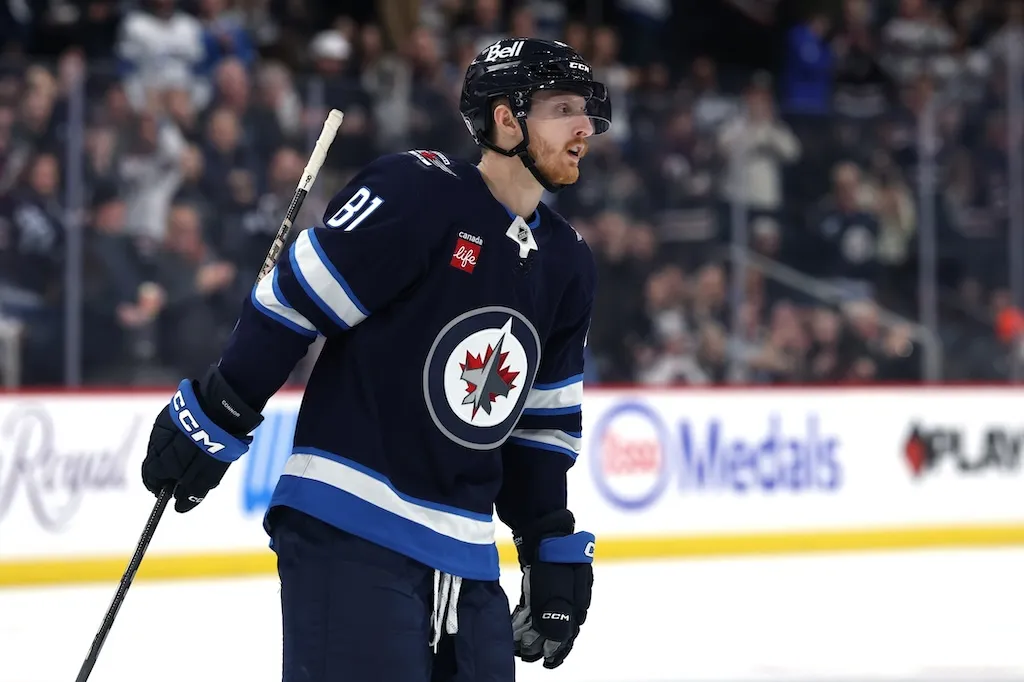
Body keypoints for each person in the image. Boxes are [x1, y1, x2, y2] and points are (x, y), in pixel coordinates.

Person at [141, 37, 609, 681]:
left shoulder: (567, 263)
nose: (585, 126)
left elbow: (538, 427)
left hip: (469, 561)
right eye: (562, 109)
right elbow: (295, 301)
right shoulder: (418, 193)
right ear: (506, 117)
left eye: (585, 109)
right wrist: (222, 407)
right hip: (353, 530)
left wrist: (546, 537)